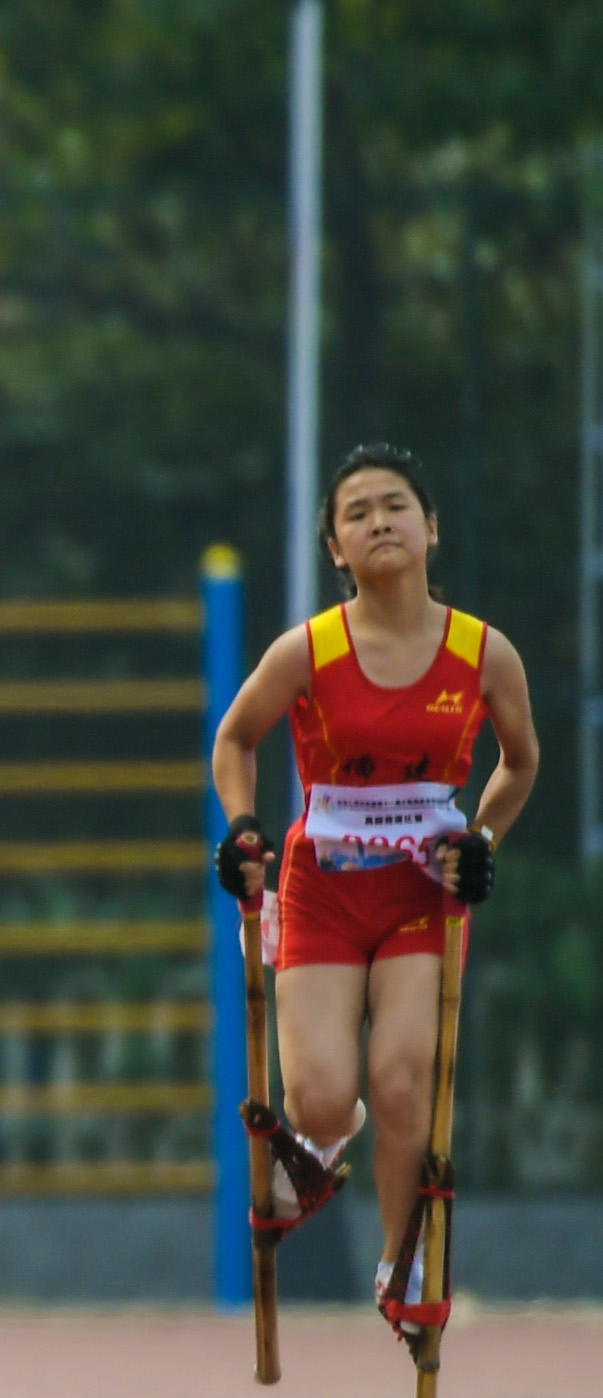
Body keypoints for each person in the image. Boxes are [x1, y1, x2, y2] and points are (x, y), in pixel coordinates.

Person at [210, 445, 537, 1328]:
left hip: (420, 898)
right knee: (321, 1094)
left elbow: (520, 762)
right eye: (355, 513)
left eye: (395, 505)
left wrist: (479, 841)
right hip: (321, 890)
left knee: (404, 1084)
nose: (378, 521)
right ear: (335, 549)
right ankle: (322, 1137)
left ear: (429, 528)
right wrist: (242, 827)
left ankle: (402, 1265)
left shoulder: (481, 652)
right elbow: (235, 738)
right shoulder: (308, 649)